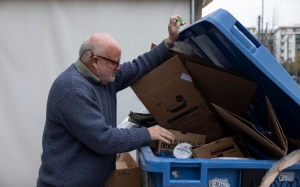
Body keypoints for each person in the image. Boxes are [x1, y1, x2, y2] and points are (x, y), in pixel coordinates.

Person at [37, 15, 186, 187]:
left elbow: (138, 67)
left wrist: (169, 41)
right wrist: (147, 133)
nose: (119, 67)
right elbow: (103, 139)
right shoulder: (72, 89)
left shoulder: (103, 78)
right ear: (95, 62)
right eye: (115, 63)